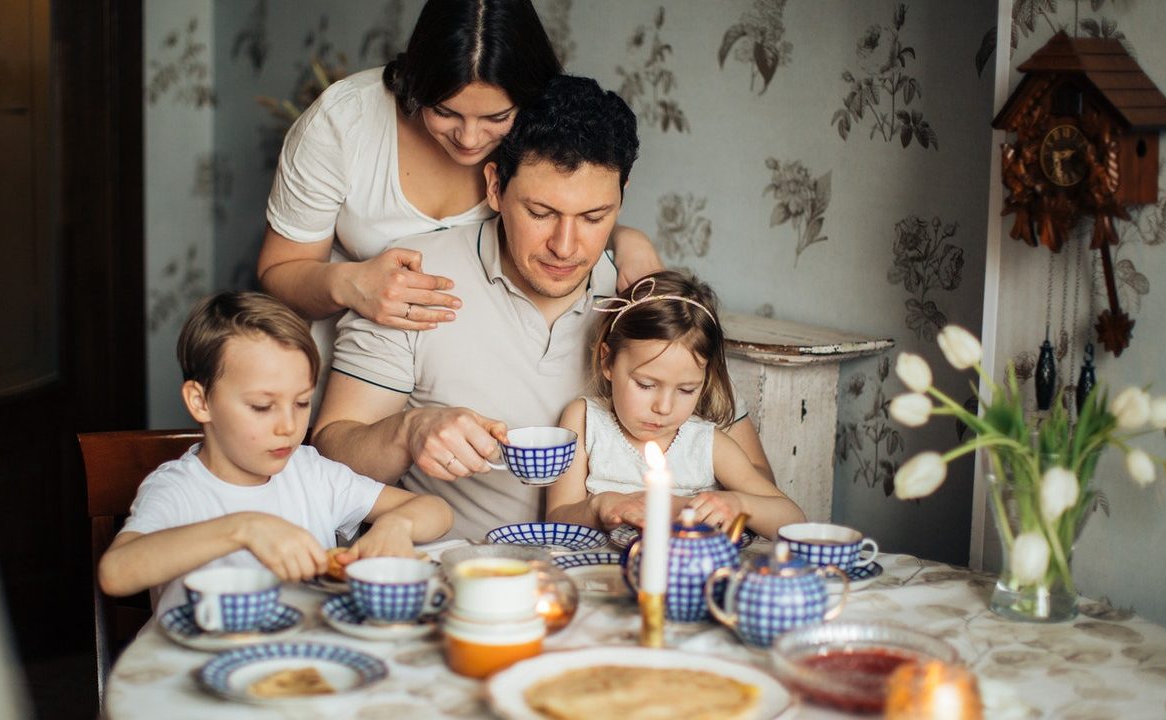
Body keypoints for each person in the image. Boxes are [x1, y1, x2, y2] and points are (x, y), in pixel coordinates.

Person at [313, 74, 774, 541]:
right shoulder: (415, 278)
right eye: (540, 213)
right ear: (495, 187)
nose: (566, 246)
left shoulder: (644, 297)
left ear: (622, 197)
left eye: (594, 217)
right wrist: (408, 432)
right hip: (463, 571)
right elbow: (331, 452)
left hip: (614, 580)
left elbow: (757, 483)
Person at [257, 0, 661, 387]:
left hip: (469, 378)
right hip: (351, 373)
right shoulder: (344, 124)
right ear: (417, 84)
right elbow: (279, 271)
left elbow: (564, 206)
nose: (469, 139)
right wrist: (350, 284)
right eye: (445, 112)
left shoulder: (530, 136)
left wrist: (625, 238)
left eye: (496, 117)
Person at [97, 292, 453, 615]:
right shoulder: (179, 489)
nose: (288, 426)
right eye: (262, 406)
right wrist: (241, 529)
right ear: (200, 401)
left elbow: (436, 510)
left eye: (301, 403)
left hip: (299, 667)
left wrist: (397, 525)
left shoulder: (311, 473)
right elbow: (116, 574)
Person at [545, 271, 805, 538]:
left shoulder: (707, 444)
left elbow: (794, 521)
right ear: (608, 361)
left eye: (686, 389)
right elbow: (556, 519)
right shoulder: (584, 421)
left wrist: (740, 503)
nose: (664, 407)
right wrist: (597, 506)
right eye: (646, 385)